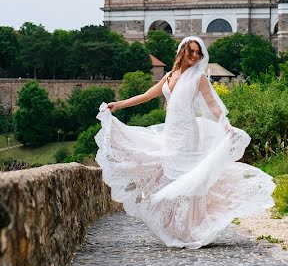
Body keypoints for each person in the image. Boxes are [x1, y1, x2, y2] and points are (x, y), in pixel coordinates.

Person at [95, 36, 274, 248]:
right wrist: (119, 104)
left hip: (188, 133)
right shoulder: (170, 75)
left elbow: (214, 106)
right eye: (192, 52)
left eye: (198, 53)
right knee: (167, 173)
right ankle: (176, 227)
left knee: (187, 176)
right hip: (171, 132)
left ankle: (192, 229)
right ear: (182, 52)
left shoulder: (199, 77)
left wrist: (227, 127)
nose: (195, 56)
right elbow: (146, 95)